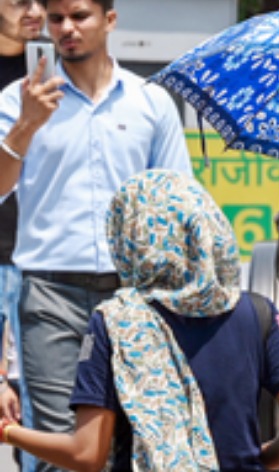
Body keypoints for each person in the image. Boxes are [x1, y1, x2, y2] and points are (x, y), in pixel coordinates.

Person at [0, 169, 279, 470]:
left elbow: (87, 454)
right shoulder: (258, 313)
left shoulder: (118, 322)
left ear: (129, 239)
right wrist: (254, 462)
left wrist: (9, 432)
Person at [0, 0, 192, 470]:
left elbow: (177, 201)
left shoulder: (150, 100)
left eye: (80, 16)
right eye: (57, 18)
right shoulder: (16, 99)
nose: (67, 28)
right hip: (50, 294)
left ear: (109, 20)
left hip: (134, 297)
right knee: (58, 449)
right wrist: (25, 126)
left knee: (133, 442)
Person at [0, 1, 46, 469]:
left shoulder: (51, 67)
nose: (34, 10)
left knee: (36, 403)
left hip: (37, 257)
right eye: (19, 1)